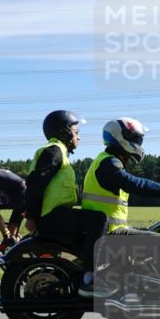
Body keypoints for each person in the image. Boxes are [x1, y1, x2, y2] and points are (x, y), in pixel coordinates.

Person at [80, 117, 160, 301]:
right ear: (121, 137)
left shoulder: (107, 161)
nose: (139, 144)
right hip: (108, 233)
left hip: (109, 230)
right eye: (136, 139)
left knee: (155, 233)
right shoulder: (108, 164)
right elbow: (135, 183)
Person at [24, 110, 106, 285]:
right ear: (65, 132)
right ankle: (90, 277)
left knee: (86, 245)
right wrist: (30, 217)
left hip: (57, 215)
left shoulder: (60, 153)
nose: (79, 137)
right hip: (51, 217)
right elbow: (35, 184)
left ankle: (80, 277)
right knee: (98, 219)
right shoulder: (54, 151)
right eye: (76, 132)